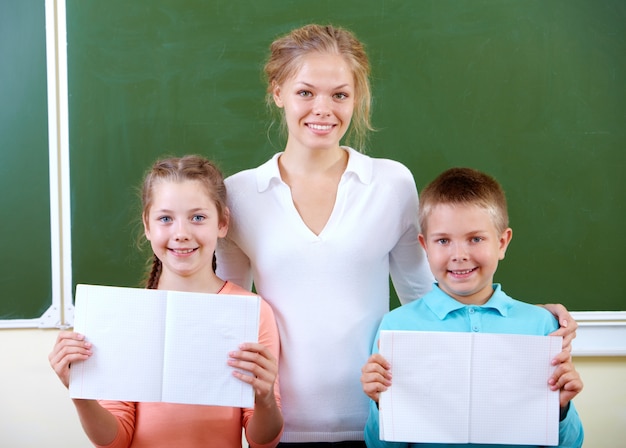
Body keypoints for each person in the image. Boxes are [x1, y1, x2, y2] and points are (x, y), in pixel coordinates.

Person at [216, 24, 577, 447]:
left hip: (385, 418)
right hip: (278, 424)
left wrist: (527, 319)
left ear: (357, 97)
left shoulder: (390, 183)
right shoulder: (239, 194)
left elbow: (429, 298)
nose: (323, 109)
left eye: (340, 94)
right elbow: (227, 312)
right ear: (278, 91)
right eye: (305, 92)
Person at [49, 155, 284, 448]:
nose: (181, 234)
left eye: (198, 217)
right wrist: (82, 395)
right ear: (147, 225)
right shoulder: (126, 316)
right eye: (165, 219)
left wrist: (264, 399)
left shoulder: (250, 313)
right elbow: (116, 440)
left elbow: (263, 441)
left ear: (222, 223)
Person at [360, 167, 584, 448]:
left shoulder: (541, 326)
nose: (459, 255)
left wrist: (561, 409)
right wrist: (381, 404)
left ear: (502, 243)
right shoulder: (396, 327)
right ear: (424, 246)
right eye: (443, 241)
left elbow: (571, 444)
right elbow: (378, 445)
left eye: (475, 239)